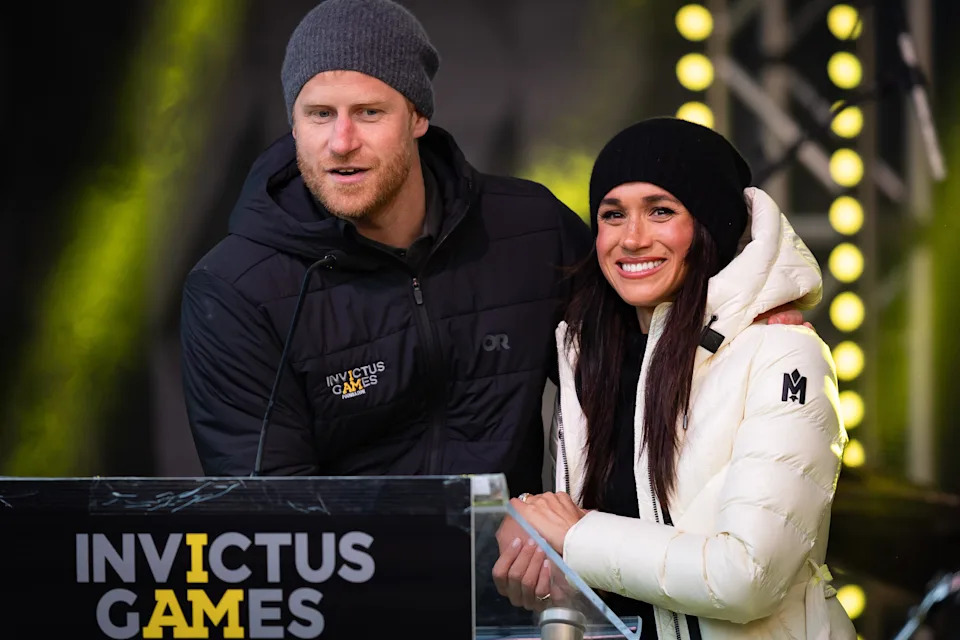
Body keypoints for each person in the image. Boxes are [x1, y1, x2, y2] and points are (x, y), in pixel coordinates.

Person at [180, 0, 803, 492]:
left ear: (419, 117)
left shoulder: (525, 226)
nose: (341, 141)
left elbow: (642, 303)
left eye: (369, 113)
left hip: (518, 592)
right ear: (293, 121)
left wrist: (745, 318)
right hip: (354, 602)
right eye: (319, 114)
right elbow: (272, 513)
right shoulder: (236, 288)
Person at [494, 118, 855, 639]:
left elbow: (747, 578)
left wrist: (574, 535)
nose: (632, 239)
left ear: (712, 225)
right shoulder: (586, 358)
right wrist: (543, 568)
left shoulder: (780, 352)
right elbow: (610, 575)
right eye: (612, 215)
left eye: (661, 211)